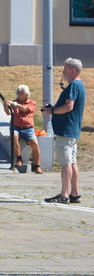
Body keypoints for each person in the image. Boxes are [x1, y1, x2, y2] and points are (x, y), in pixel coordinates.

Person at [43, 58, 85, 204]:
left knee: (66, 163)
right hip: (72, 130)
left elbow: (68, 106)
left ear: (72, 71)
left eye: (65, 69)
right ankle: (75, 193)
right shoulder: (79, 85)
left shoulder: (73, 85)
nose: (63, 72)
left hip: (66, 130)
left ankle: (64, 194)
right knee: (72, 162)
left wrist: (52, 111)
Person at [3, 85, 43, 174]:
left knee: (35, 144)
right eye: (18, 92)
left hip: (28, 129)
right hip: (16, 127)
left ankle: (37, 166)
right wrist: (6, 106)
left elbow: (25, 109)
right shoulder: (14, 103)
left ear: (27, 94)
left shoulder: (32, 103)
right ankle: (19, 158)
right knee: (14, 136)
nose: (19, 94)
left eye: (21, 92)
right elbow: (8, 113)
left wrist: (14, 104)